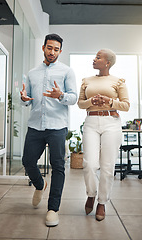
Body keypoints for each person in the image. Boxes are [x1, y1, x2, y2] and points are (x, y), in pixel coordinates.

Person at [20, 33, 77, 227]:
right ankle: (39, 185)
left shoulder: (67, 71)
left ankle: (53, 209)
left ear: (60, 51)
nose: (52, 52)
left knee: (58, 167)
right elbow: (27, 97)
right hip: (35, 125)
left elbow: (74, 97)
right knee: (27, 162)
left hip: (57, 127)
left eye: (56, 49)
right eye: (49, 47)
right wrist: (23, 99)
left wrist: (61, 95)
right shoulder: (32, 73)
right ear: (43, 47)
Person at [77, 49, 130, 221]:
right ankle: (91, 194)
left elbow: (126, 105)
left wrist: (110, 102)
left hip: (111, 123)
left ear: (107, 62)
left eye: (98, 57)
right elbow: (80, 104)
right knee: (90, 164)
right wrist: (91, 101)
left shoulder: (118, 81)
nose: (94, 59)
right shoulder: (86, 81)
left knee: (107, 168)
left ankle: (102, 202)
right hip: (91, 122)